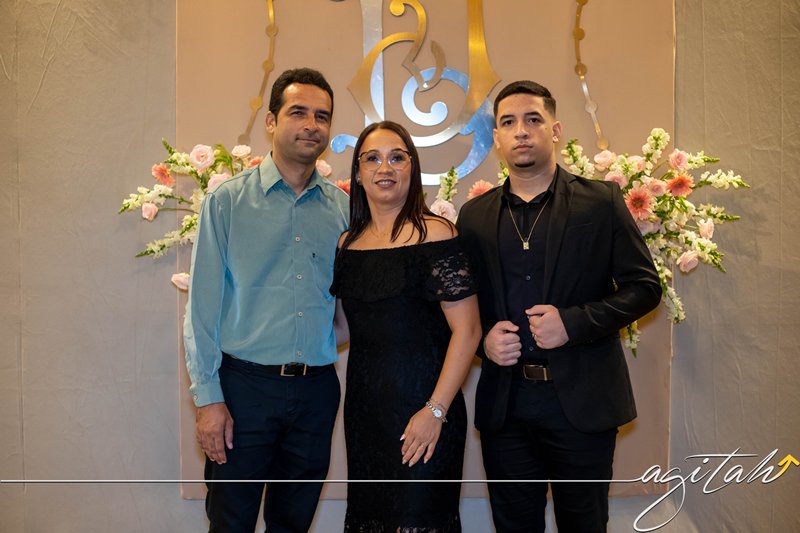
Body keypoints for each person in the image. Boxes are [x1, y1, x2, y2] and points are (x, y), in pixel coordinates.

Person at [456, 80, 662, 532]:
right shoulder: (474, 216)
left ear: (555, 130)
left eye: (533, 119)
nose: (521, 130)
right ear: (497, 138)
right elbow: (463, 306)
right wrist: (484, 341)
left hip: (583, 401)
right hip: (506, 406)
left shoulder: (600, 202)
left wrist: (574, 323)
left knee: (584, 523)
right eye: (508, 122)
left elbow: (645, 287)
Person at [183, 68, 349, 532]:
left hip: (316, 392)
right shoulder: (227, 203)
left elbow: (347, 306)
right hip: (243, 391)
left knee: (293, 523)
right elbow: (201, 312)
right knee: (230, 522)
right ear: (271, 122)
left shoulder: (343, 210)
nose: (311, 125)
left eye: (322, 116)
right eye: (298, 112)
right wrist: (208, 400)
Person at [330, 121, 482, 532]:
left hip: (427, 411)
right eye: (373, 159)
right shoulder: (347, 244)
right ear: (358, 173)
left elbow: (468, 331)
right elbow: (344, 329)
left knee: (421, 521)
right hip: (366, 416)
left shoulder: (436, 233)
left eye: (397, 157)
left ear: (412, 168)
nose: (385, 168)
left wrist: (435, 411)